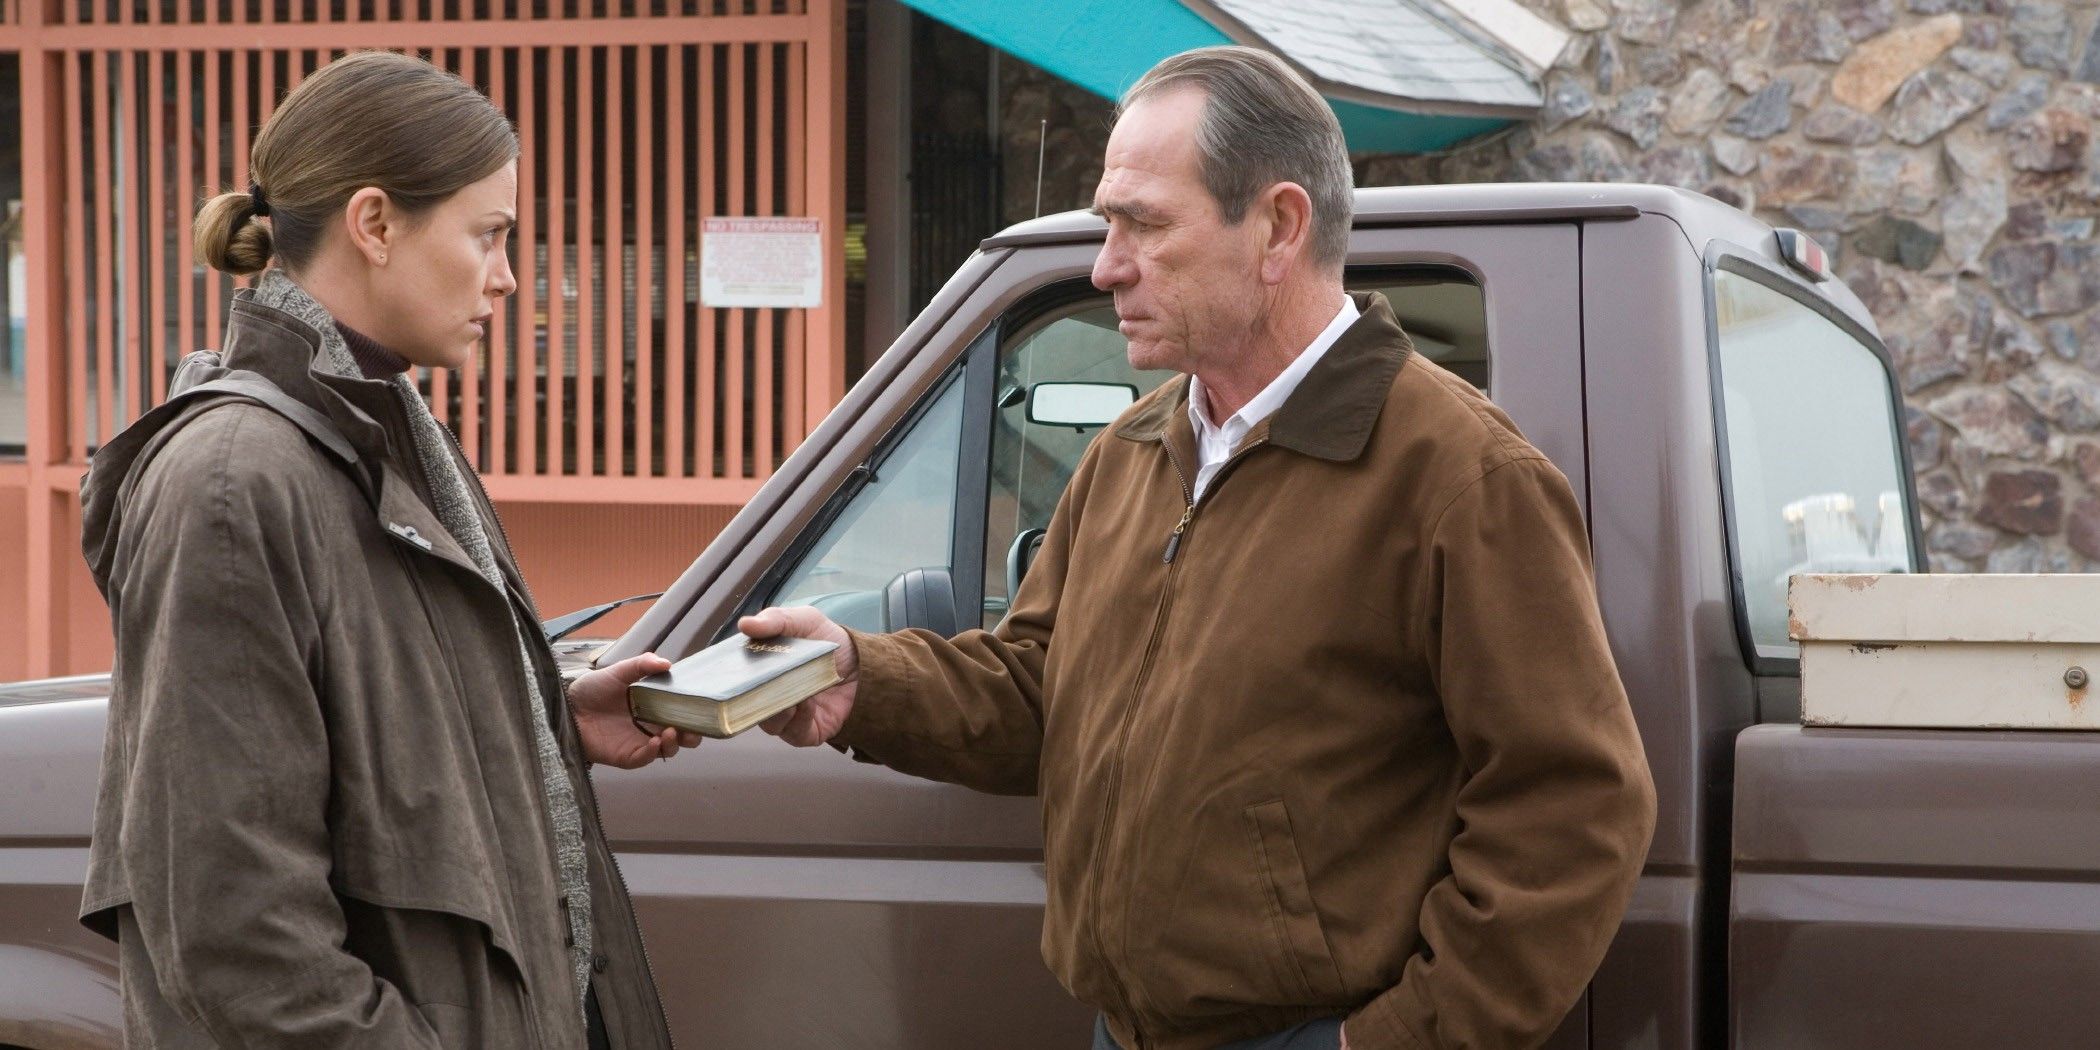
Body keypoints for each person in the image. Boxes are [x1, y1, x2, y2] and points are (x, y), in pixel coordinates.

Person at [740, 46, 1657, 1050]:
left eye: (1145, 224)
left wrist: (1397, 1042)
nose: (1107, 265)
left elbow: (1572, 808)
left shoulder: (1461, 477)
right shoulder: (1130, 453)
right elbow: (1043, 690)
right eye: (1107, 225)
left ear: (1278, 227)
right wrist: (859, 677)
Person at [78, 50, 689, 1049]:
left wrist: (546, 717)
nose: (508, 276)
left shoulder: (384, 430)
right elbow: (234, 930)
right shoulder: (233, 482)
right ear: (374, 223)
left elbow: (371, 727)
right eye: (487, 235)